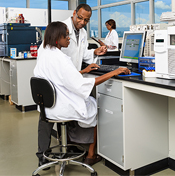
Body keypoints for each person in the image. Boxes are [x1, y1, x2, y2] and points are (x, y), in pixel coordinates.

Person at [34, 21, 130, 167]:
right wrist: (114, 72)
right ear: (56, 38)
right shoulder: (61, 59)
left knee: (87, 100)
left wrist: (83, 71)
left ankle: (72, 144)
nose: (69, 38)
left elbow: (59, 77)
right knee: (96, 105)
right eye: (66, 36)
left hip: (47, 108)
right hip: (61, 108)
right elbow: (82, 85)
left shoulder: (45, 55)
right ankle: (91, 155)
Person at [36, 4, 108, 168]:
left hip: (70, 79)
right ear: (74, 13)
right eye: (80, 18)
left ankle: (67, 146)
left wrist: (94, 53)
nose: (82, 22)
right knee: (48, 120)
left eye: (86, 20)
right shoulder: (59, 29)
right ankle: (43, 154)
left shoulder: (82, 32)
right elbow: (47, 51)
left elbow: (81, 54)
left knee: (54, 115)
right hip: (59, 83)